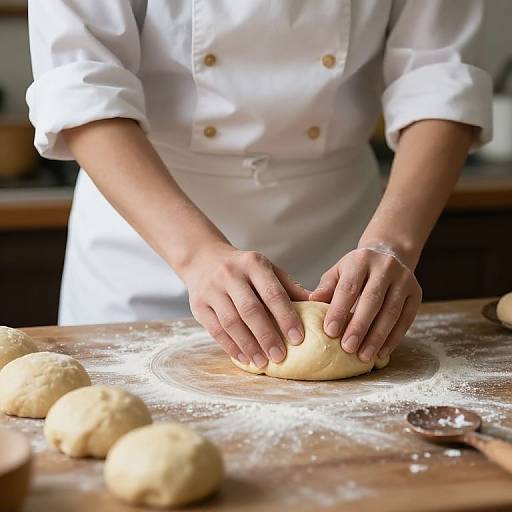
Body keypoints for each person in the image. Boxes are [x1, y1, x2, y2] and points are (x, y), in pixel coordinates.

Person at [27, 1, 492, 369]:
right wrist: (196, 253)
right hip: (142, 243)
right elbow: (80, 84)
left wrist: (394, 243)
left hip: (336, 252)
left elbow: (439, 78)